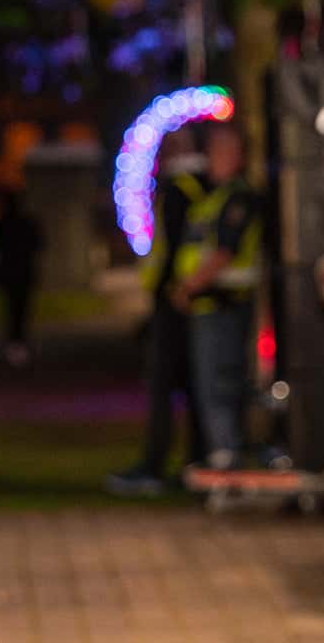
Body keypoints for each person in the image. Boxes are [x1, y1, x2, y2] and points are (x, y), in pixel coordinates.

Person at [108, 130, 208, 495]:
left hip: (176, 299)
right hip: (194, 299)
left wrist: (167, 290)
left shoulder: (180, 189)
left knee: (165, 385)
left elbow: (173, 248)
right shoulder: (202, 186)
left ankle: (156, 465)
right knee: (197, 386)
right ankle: (197, 460)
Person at [170, 123, 262, 470]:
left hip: (224, 304)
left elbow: (224, 252)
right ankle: (221, 453)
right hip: (211, 304)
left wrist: (188, 286)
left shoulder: (236, 197)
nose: (213, 160)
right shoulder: (215, 196)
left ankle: (226, 457)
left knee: (218, 383)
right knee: (213, 382)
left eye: (221, 152)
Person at [0, 186, 43, 368]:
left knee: (13, 310)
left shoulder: (3, 223)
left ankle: (15, 344)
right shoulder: (27, 222)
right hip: (23, 272)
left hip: (11, 272)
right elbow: (39, 244)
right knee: (21, 310)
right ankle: (18, 344)